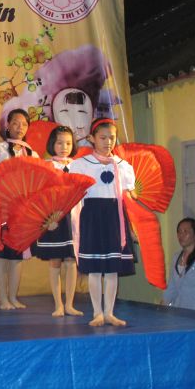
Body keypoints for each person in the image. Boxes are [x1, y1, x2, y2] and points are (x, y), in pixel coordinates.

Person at [69, 118, 135, 327]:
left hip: (115, 217)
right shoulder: (81, 164)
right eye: (103, 137)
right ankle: (97, 312)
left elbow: (128, 197)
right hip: (93, 215)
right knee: (96, 268)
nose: (108, 142)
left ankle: (109, 313)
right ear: (92, 138)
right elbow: (71, 191)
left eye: (111, 138)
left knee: (113, 268)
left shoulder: (123, 166)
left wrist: (134, 224)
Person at [0, 109, 39, 311]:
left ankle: (13, 297)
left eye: (24, 124)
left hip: (22, 209)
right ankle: (3, 299)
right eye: (16, 123)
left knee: (17, 255)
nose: (20, 127)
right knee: (1, 255)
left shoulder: (32, 153)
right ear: (7, 126)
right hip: (1, 207)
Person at [32, 126, 83, 317]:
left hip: (74, 217)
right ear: (52, 144)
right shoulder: (46, 166)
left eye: (68, 143)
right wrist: (47, 218)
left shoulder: (78, 166)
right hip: (53, 218)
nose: (64, 147)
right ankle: (58, 304)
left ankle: (69, 304)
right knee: (55, 260)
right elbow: (40, 195)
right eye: (60, 143)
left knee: (71, 260)